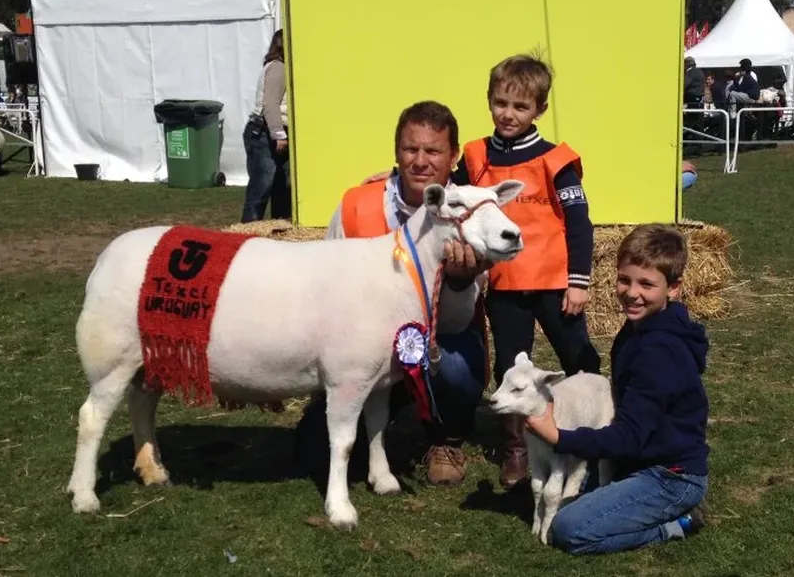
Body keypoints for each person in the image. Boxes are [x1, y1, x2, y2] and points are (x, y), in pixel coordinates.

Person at [298, 101, 490, 486]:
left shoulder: (473, 212)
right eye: (410, 149)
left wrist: (457, 279)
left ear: (453, 156)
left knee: (454, 368)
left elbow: (456, 321)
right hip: (360, 347)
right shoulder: (357, 203)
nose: (420, 161)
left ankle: (444, 436)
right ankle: (360, 418)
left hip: (440, 343)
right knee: (309, 450)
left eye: (433, 151)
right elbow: (325, 280)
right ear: (396, 152)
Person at [452, 54, 601, 489]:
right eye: (500, 103)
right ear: (489, 101)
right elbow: (452, 190)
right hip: (505, 287)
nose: (508, 114)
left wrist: (579, 282)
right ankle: (516, 448)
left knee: (581, 358)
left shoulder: (557, 160)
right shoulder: (476, 155)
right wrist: (395, 177)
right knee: (509, 368)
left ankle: (590, 431)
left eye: (520, 106)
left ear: (539, 109)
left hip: (556, 286)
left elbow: (578, 222)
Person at [525, 224, 709, 555]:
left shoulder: (660, 352)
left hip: (671, 476)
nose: (631, 292)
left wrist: (560, 438)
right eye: (624, 280)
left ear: (675, 288)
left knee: (568, 528)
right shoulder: (638, 329)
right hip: (638, 460)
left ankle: (676, 524)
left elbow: (629, 434)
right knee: (576, 497)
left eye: (647, 284)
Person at [240, 29, 291, 223]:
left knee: (281, 187)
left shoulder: (279, 67)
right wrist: (278, 134)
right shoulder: (278, 68)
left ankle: (279, 230)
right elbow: (270, 103)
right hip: (264, 132)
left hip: (270, 131)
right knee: (262, 185)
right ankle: (248, 230)